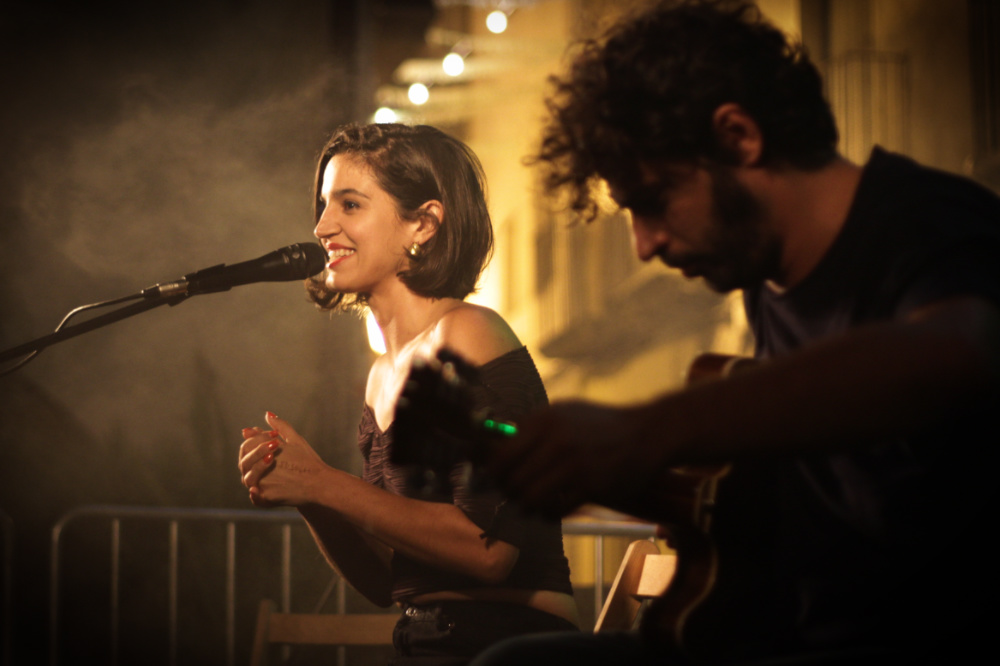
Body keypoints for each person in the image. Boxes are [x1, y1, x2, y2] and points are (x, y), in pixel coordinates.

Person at [478, 0, 1000, 663]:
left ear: (738, 136)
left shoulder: (933, 223)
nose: (644, 245)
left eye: (654, 201)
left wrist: (648, 430)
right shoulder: (765, 280)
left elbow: (958, 353)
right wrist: (604, 473)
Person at [237, 123, 578, 665]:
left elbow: (489, 552)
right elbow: (385, 581)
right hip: (425, 639)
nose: (322, 226)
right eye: (324, 205)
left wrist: (325, 482)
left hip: (508, 641)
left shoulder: (468, 334)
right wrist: (309, 495)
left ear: (423, 223)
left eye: (350, 204)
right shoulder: (381, 376)